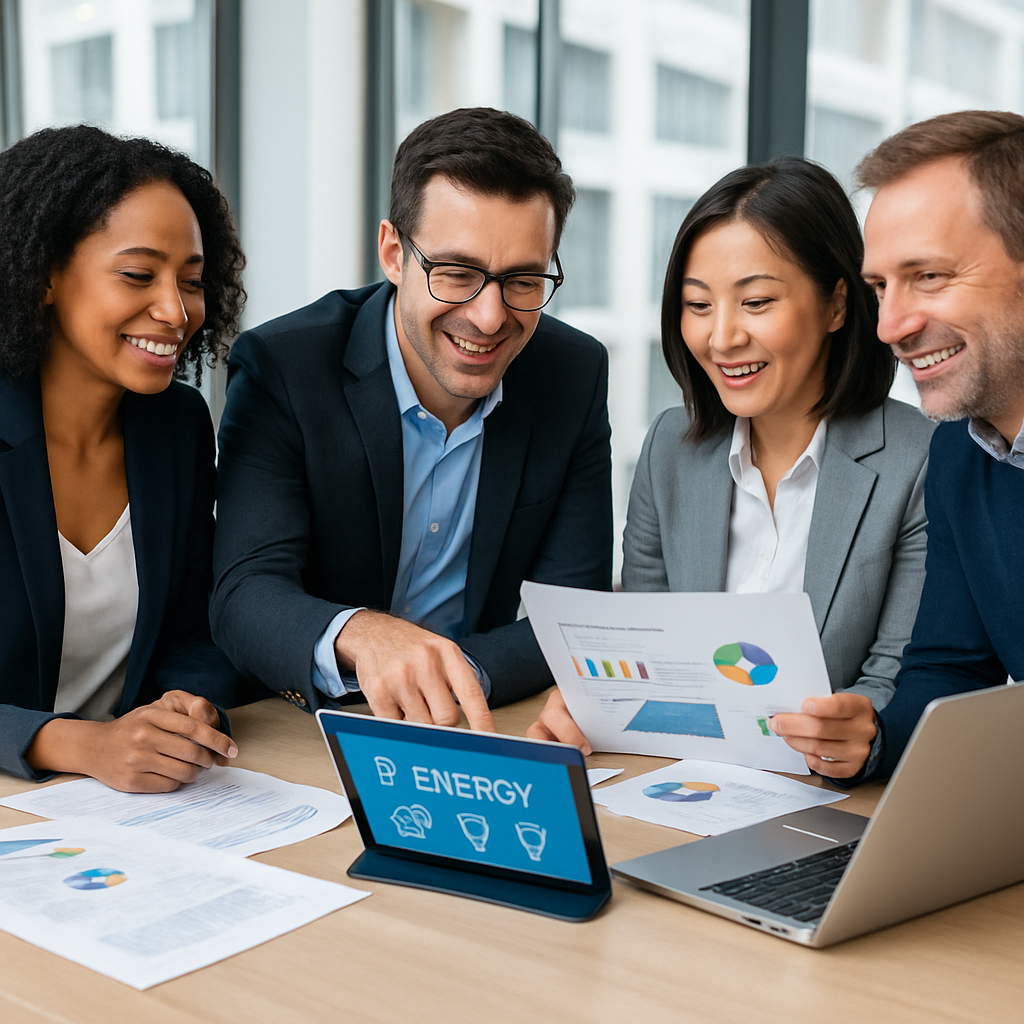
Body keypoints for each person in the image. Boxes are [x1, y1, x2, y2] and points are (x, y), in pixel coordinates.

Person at [529, 158, 934, 776]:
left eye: (757, 301)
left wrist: (865, 732)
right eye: (698, 305)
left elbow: (898, 675)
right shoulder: (671, 447)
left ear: (837, 304)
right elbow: (651, 651)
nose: (721, 339)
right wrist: (598, 702)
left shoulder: (918, 459)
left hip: (834, 802)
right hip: (681, 782)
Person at [211, 107, 612, 730]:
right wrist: (363, 636)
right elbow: (243, 595)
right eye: (456, 274)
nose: (489, 317)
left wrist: (451, 673)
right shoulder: (286, 368)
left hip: (477, 719)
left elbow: (573, 615)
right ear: (394, 254)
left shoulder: (572, 373)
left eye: (523, 280)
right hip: (307, 724)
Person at [772, 110, 1024, 780]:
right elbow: (952, 668)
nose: (889, 326)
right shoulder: (961, 456)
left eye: (930, 276)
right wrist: (872, 737)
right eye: (880, 287)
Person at [0, 125, 245, 790]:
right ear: (44, 275)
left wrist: (186, 704)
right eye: (138, 275)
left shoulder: (176, 427)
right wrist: (77, 745)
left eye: (191, 281)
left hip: (128, 815)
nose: (175, 310)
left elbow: (197, 630)